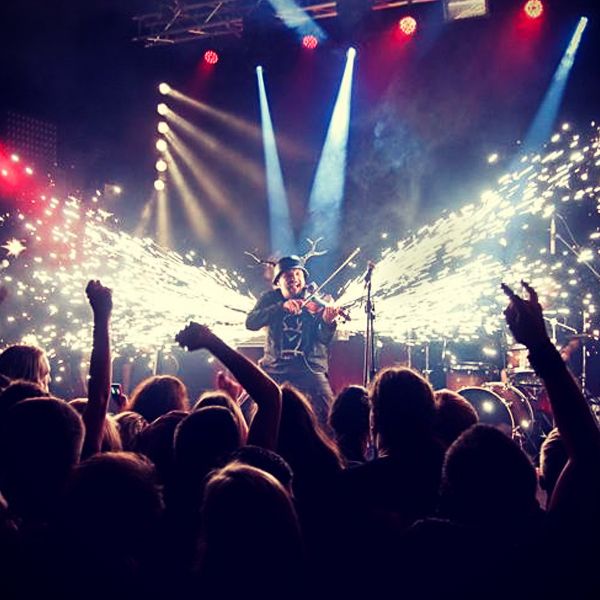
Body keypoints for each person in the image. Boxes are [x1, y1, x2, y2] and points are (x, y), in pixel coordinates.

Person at [245, 255, 342, 426]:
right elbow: (251, 322)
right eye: (288, 275)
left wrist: (327, 322)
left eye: (298, 274)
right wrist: (281, 307)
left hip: (309, 370)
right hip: (274, 368)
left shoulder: (319, 300)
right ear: (278, 282)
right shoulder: (270, 299)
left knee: (329, 417)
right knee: (246, 410)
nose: (294, 279)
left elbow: (324, 339)